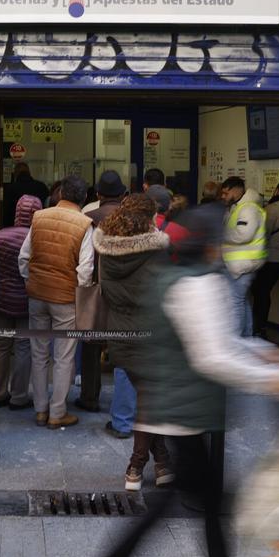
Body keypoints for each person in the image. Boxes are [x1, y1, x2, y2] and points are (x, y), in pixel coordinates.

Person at [73, 203, 279, 557]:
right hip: (184, 409)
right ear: (211, 245)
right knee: (180, 501)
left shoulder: (172, 275)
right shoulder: (199, 284)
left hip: (176, 403)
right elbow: (213, 355)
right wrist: (271, 378)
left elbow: (215, 344)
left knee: (208, 497)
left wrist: (266, 357)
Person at [92, 195, 173, 479]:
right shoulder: (157, 251)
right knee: (150, 400)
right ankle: (136, 466)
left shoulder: (105, 248)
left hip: (119, 334)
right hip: (151, 334)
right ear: (148, 219)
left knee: (149, 397)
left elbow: (104, 290)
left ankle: (162, 461)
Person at [20, 174, 94, 430]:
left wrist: (30, 281)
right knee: (64, 357)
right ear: (84, 198)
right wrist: (80, 297)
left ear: (60, 194)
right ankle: (57, 412)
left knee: (38, 353)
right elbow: (85, 271)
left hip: (37, 294)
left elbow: (24, 257)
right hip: (65, 299)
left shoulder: (39, 217)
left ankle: (40, 410)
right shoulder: (84, 224)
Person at [79, 170, 127, 414]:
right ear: (123, 194)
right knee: (125, 345)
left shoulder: (87, 217)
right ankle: (123, 406)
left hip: (94, 288)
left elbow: (84, 259)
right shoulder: (132, 219)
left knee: (91, 346)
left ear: (98, 194)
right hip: (125, 289)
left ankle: (90, 398)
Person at [0, 193, 41, 411]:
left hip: (1, 299)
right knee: (23, 346)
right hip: (25, 301)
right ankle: (18, 397)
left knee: (1, 345)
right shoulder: (36, 237)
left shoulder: (0, 236)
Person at [219, 176, 266, 338]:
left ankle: (236, 339)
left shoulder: (249, 209)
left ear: (237, 190)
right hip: (238, 264)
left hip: (244, 264)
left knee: (235, 302)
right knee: (242, 301)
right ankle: (246, 337)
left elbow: (243, 234)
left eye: (226, 193)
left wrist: (221, 234)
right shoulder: (236, 207)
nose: (223, 196)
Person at [251, 180, 279, 338]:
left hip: (270, 258)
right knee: (265, 290)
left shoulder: (272, 209)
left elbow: (263, 234)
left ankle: (259, 326)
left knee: (260, 291)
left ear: (278, 191)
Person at [1, 161, 49, 228]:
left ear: (16, 174)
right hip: (38, 226)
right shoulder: (41, 187)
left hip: (14, 227)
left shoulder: (11, 189)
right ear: (29, 173)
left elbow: (6, 212)